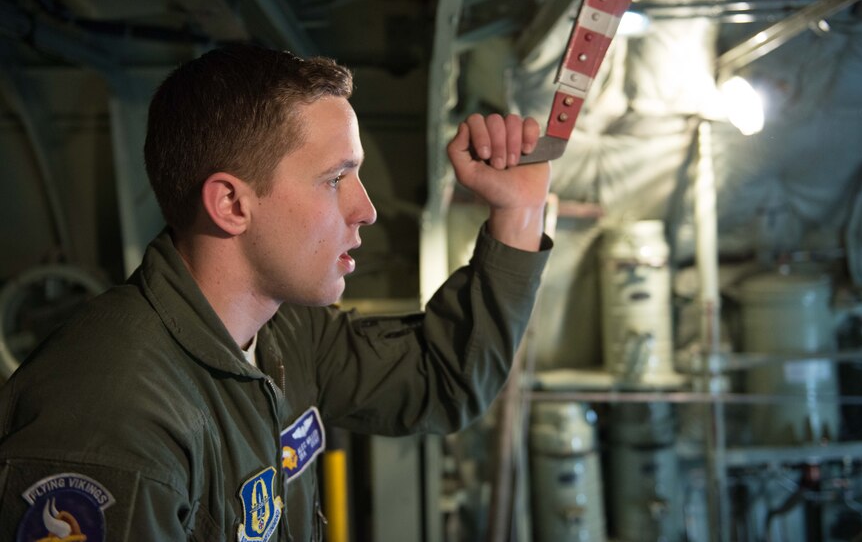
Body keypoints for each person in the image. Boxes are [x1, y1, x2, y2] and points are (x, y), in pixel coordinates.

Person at [0, 44, 552, 541]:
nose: (366, 210)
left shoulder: (281, 331)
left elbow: (440, 380)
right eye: (337, 178)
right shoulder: (111, 418)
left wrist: (519, 212)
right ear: (232, 205)